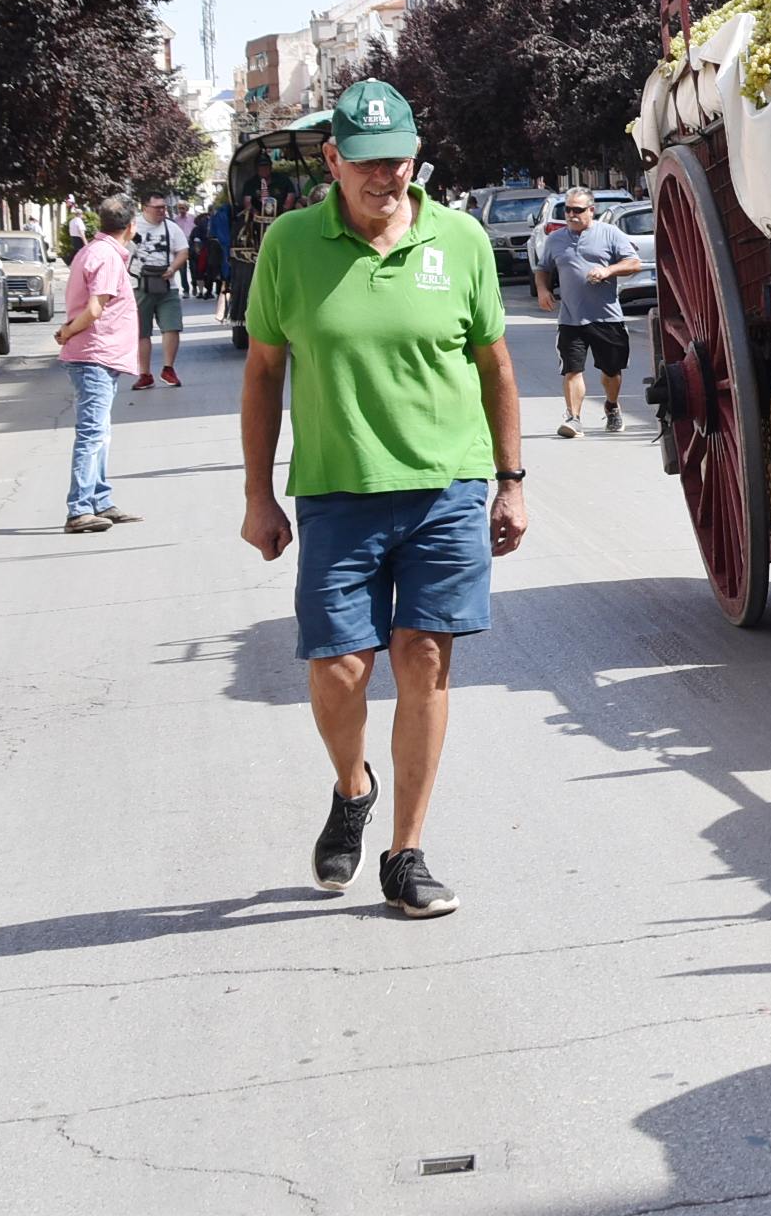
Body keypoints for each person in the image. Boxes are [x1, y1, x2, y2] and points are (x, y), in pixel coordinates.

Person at [242, 79, 524, 919]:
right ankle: (352, 785)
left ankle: (406, 852)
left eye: (397, 160)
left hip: (445, 488)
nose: (383, 178)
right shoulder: (290, 246)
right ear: (333, 160)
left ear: (415, 156)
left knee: (425, 660)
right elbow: (263, 374)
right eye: (364, 162)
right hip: (338, 489)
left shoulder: (461, 239)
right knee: (338, 669)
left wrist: (509, 482)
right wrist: (258, 495)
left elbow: (496, 366)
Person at [55, 194, 145, 533]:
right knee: (92, 434)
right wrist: (66, 332)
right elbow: (94, 310)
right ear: (131, 226)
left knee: (100, 433)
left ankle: (99, 500)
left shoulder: (94, 252)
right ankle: (79, 509)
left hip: (99, 355)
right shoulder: (106, 256)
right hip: (94, 354)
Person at [532, 189, 642, 438]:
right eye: (567, 210)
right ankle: (574, 418)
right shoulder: (556, 239)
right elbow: (543, 268)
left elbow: (633, 263)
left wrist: (608, 270)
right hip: (571, 318)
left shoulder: (610, 234)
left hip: (607, 317)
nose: (571, 215)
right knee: (572, 369)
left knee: (611, 371)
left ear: (591, 210)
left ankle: (612, 406)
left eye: (577, 210)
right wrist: (542, 290)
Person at [131, 192, 193, 390]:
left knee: (172, 326)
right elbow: (121, 251)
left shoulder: (171, 227)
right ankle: (145, 373)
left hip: (167, 285)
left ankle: (168, 368)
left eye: (164, 207)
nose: (161, 211)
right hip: (139, 285)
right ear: (145, 208)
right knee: (142, 331)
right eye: (157, 208)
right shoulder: (132, 227)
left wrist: (172, 268)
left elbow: (183, 251)